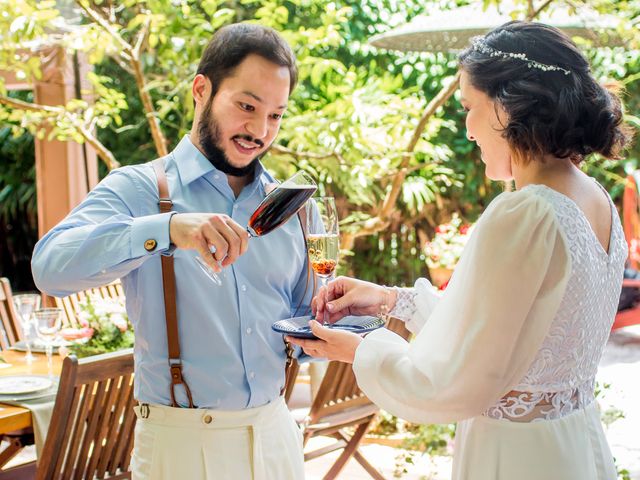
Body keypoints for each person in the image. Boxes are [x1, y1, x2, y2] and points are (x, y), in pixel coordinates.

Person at [287, 21, 634, 480]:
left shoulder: (526, 213)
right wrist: (394, 301)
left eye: (469, 107)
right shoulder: (596, 200)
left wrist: (360, 350)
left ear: (507, 107)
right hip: (573, 446)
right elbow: (508, 334)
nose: (467, 129)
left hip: (515, 459)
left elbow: (456, 382)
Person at [32, 23, 310, 480]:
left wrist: (335, 326)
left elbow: (303, 329)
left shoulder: (293, 208)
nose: (259, 130)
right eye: (246, 107)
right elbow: (49, 267)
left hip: (277, 436)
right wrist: (166, 228)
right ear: (201, 90)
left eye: (276, 116)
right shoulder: (141, 188)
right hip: (181, 445)